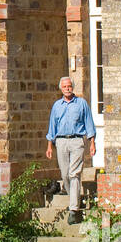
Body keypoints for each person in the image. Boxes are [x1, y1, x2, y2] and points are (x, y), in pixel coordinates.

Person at [45, 76, 96, 222]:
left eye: (69, 86)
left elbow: (89, 124)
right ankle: (73, 198)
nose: (67, 89)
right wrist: (49, 146)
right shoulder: (57, 106)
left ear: (72, 87)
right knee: (65, 174)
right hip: (61, 141)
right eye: (65, 87)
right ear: (61, 89)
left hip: (77, 141)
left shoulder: (81, 104)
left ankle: (73, 209)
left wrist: (92, 143)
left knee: (75, 173)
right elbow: (52, 128)